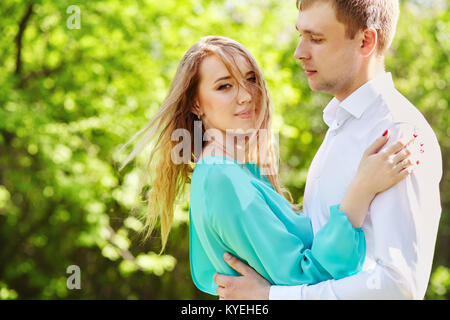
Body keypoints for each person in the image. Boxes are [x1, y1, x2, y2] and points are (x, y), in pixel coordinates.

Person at [119, 35, 415, 298]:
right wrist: (360, 191)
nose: (247, 95)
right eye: (224, 86)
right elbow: (306, 278)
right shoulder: (220, 178)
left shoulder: (239, 172)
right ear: (196, 104)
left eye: (250, 79)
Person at [213, 0, 443, 300]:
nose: (299, 52)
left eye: (316, 39)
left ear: (365, 41)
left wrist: (272, 297)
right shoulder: (341, 127)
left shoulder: (397, 133)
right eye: (300, 35)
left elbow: (398, 287)